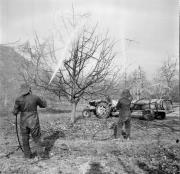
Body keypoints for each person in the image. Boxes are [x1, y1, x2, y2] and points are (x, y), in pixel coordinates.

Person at [12, 84, 47, 159]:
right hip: (33, 121)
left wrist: (17, 111)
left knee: (25, 138)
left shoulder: (18, 99)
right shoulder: (35, 97)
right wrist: (43, 99)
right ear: (29, 89)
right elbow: (43, 105)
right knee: (37, 138)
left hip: (23, 122)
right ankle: (41, 155)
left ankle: (27, 156)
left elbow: (14, 112)